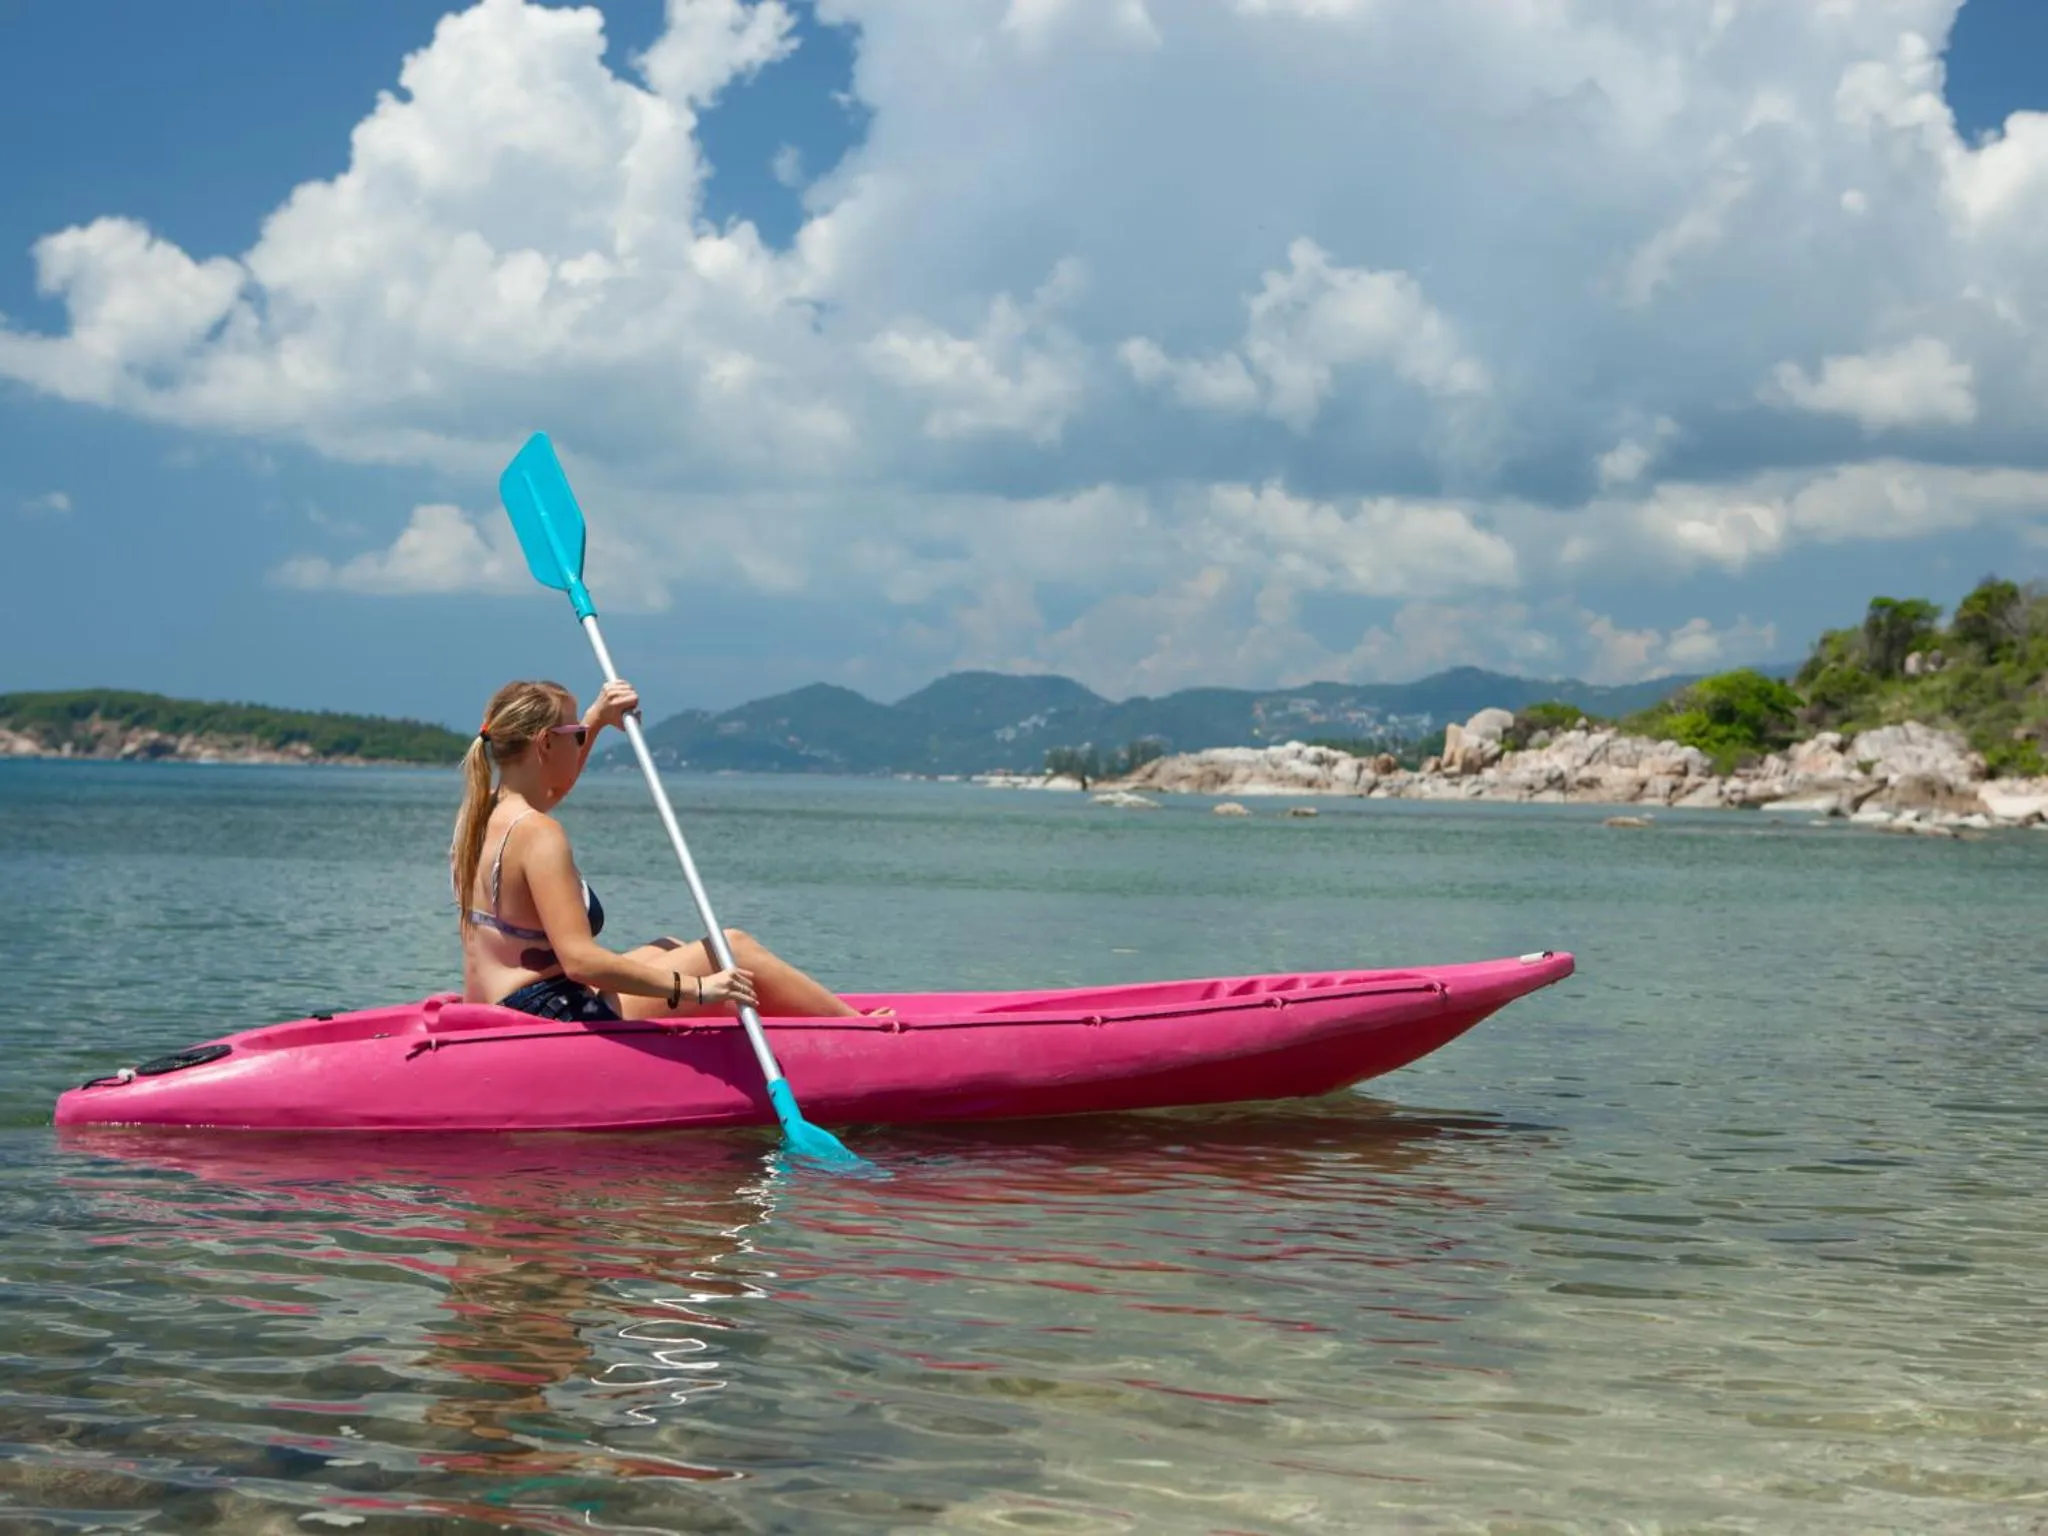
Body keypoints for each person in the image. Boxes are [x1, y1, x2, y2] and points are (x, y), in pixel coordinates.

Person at [452, 677, 861, 1023]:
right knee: (731, 948)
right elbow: (581, 962)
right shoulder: (541, 834)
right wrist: (698, 988)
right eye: (574, 735)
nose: (580, 743)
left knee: (666, 945)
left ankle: (783, 1025)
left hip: (500, 1004)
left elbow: (552, 787)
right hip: (549, 1011)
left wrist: (595, 721)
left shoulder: (480, 812)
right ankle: (859, 1032)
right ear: (544, 744)